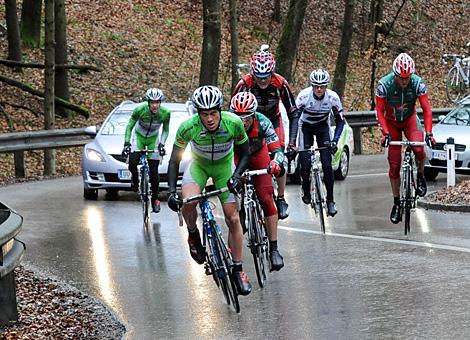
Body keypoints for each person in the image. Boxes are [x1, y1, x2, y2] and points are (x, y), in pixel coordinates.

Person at [166, 85, 252, 296]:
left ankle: (238, 270)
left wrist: (236, 176)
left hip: (224, 167)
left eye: (214, 113)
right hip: (199, 166)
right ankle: (194, 235)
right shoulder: (188, 127)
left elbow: (246, 153)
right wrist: (170, 191)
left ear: (220, 111)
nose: (210, 119)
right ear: (198, 114)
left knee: (233, 219)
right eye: (205, 114)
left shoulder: (233, 123)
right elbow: (174, 161)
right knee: (188, 202)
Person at [232, 49, 300, 220]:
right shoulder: (243, 84)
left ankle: (281, 198)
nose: (262, 81)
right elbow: (232, 114)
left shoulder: (281, 83)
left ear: (272, 72)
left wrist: (292, 143)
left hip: (272, 121)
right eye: (258, 77)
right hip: (249, 123)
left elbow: (293, 113)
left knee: (280, 157)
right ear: (252, 73)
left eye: (266, 76)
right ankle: (241, 204)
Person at [376, 52, 435, 224]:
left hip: (409, 119)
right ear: (395, 74)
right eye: (401, 78)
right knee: (394, 166)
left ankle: (421, 175)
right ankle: (396, 203)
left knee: (419, 149)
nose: (404, 82)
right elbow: (379, 111)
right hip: (391, 122)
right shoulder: (384, 85)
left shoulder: (418, 83)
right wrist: (385, 133)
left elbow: (427, 110)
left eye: (407, 78)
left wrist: (429, 133)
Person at [230, 91, 285, 271]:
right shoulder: (227, 124)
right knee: (234, 199)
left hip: (258, 155)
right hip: (236, 157)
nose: (242, 122)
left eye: (246, 118)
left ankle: (274, 249)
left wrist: (276, 163)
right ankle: (242, 217)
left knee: (266, 197)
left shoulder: (262, 121)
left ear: (253, 114)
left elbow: (277, 149)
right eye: (239, 117)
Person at [295, 69, 345, 217]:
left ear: (326, 86)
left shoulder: (333, 98)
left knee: (327, 165)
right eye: (316, 86)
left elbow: (341, 121)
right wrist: (293, 143)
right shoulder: (303, 97)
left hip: (323, 127)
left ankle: (330, 201)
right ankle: (305, 186)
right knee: (305, 164)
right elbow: (295, 119)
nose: (318, 89)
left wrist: (335, 140)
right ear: (311, 85)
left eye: (322, 86)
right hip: (305, 128)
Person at [122, 88, 170, 213]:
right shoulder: (139, 109)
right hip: (139, 136)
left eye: (157, 102)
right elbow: (130, 125)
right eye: (152, 102)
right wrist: (127, 142)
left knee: (154, 174)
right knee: (132, 163)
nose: (155, 105)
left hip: (153, 139)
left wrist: (162, 144)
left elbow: (165, 130)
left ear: (160, 102)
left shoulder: (165, 113)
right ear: (148, 102)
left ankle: (155, 199)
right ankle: (135, 179)